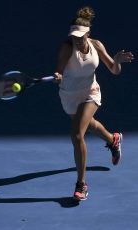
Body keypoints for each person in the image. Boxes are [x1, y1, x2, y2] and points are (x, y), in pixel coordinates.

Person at [54, 6, 134, 201]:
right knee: (89, 125)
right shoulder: (67, 47)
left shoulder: (96, 45)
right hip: (69, 95)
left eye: (81, 36)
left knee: (76, 134)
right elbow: (59, 71)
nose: (77, 39)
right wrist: (58, 75)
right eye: (74, 35)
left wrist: (116, 61)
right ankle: (112, 139)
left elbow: (114, 70)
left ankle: (81, 185)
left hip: (90, 92)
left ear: (88, 33)